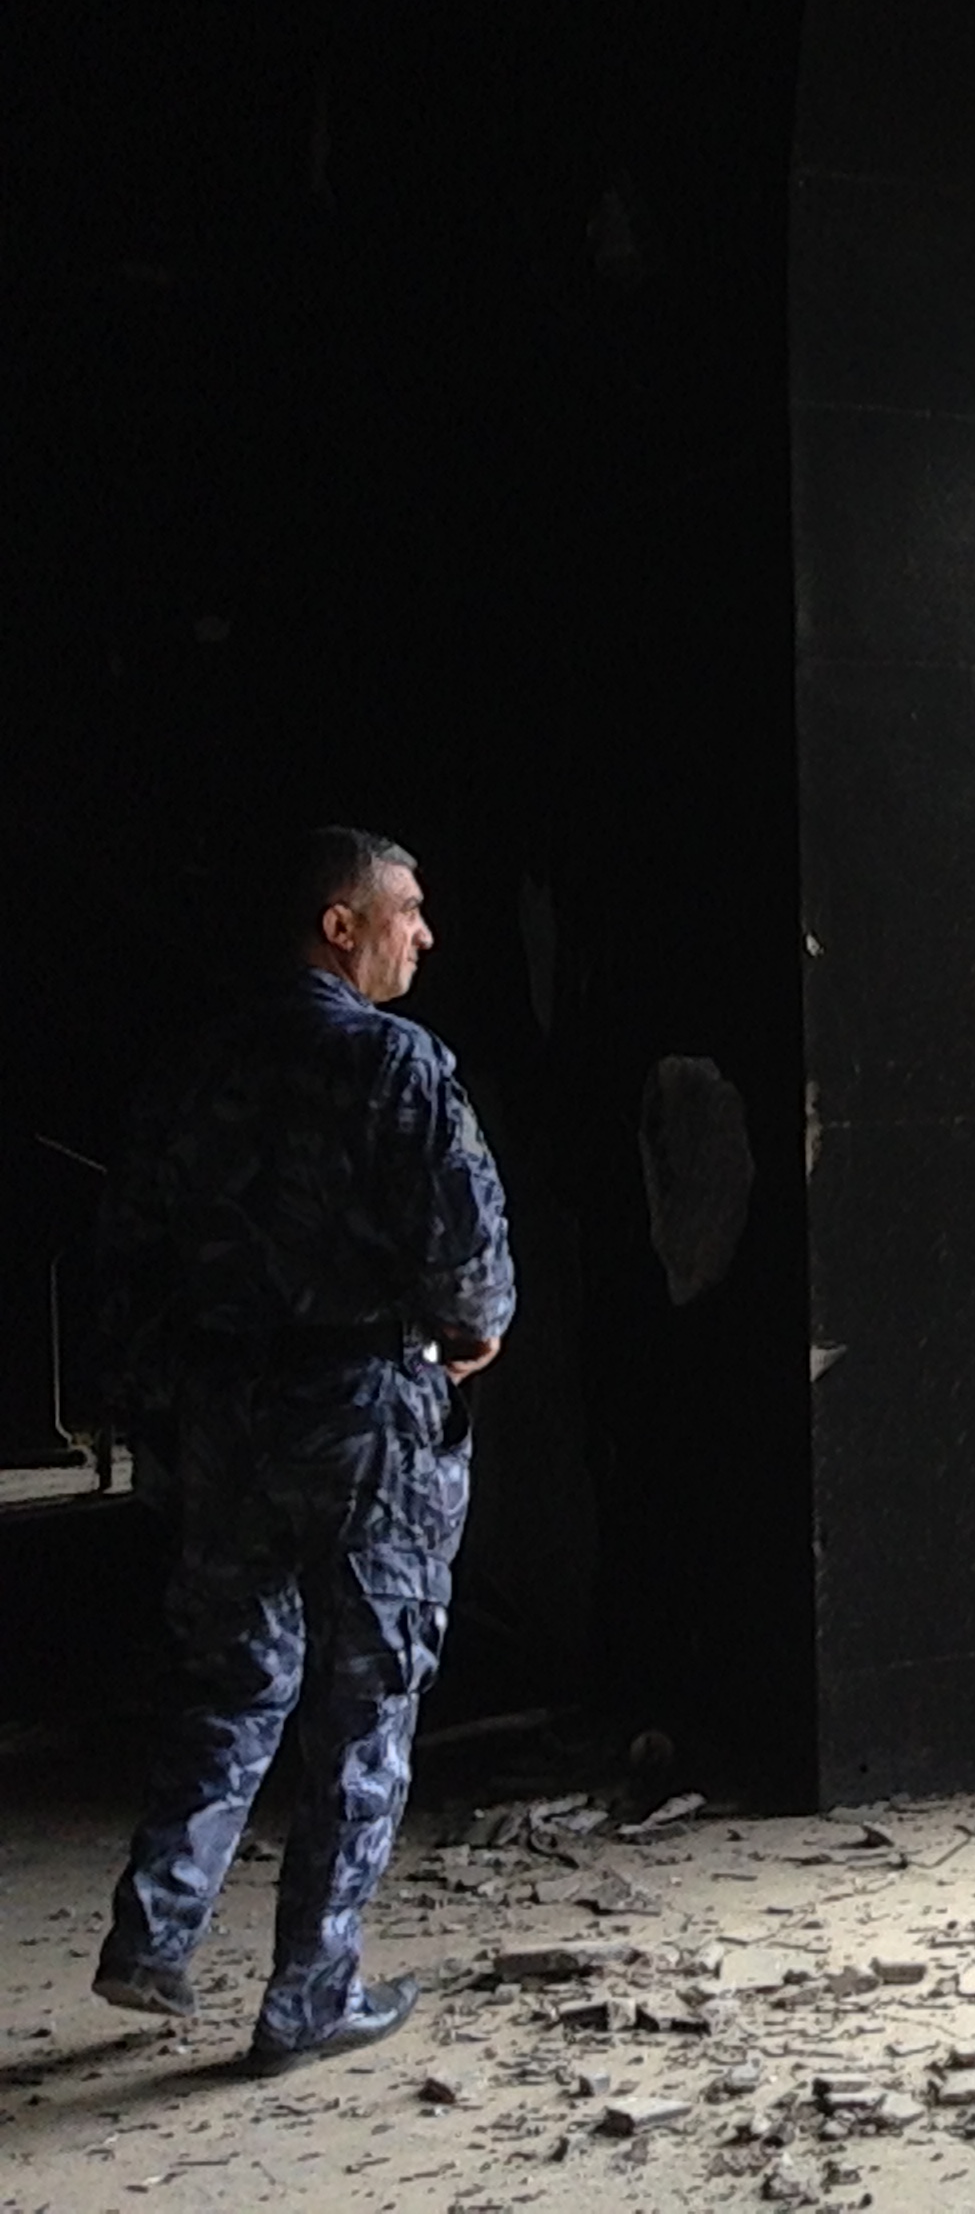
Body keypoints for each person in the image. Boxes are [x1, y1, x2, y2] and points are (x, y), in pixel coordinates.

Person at [91, 827, 514, 2076]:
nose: (424, 935)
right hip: (364, 1421)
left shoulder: (191, 1069)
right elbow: (472, 1269)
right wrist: (468, 1332)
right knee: (366, 1694)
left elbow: (129, 1250)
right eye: (409, 911)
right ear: (344, 926)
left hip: (224, 1418)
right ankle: (309, 1996)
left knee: (232, 1670)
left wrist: (164, 1399)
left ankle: (156, 1930)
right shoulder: (399, 1067)